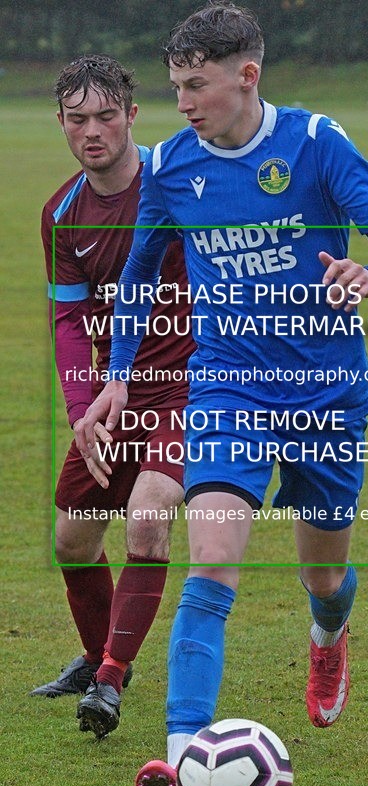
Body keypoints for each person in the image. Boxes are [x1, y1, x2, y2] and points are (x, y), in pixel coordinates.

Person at [75, 4, 368, 786]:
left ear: (248, 76)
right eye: (175, 87)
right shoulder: (169, 167)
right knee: (214, 564)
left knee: (323, 573)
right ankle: (179, 753)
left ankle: (329, 634)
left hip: (327, 397)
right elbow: (136, 280)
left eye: (197, 85)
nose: (185, 102)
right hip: (227, 386)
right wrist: (121, 373)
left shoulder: (313, 145)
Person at [31, 54, 194, 742]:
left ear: (132, 115)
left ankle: (106, 680)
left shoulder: (183, 183)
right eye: (78, 119)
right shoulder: (63, 212)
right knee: (71, 537)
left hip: (196, 384)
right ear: (61, 124)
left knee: (148, 515)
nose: (92, 130)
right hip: (116, 395)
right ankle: (106, 661)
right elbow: (70, 320)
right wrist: (81, 410)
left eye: (106, 116)